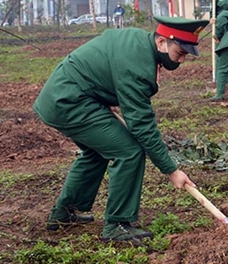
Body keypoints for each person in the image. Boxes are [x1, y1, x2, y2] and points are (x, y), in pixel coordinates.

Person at [33, 16, 209, 243]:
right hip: (68, 102)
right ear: (162, 42)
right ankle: (117, 224)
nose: (182, 60)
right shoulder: (138, 65)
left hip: (68, 96)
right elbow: (142, 125)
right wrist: (171, 170)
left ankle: (64, 214)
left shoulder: (138, 41)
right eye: (180, 53)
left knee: (97, 151)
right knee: (129, 151)